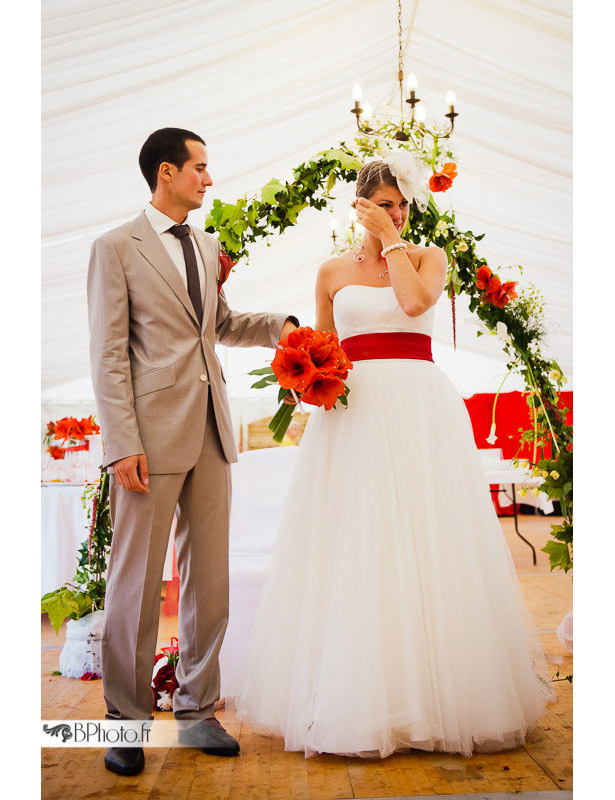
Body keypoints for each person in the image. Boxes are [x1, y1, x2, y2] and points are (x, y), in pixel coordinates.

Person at [235, 157, 556, 758]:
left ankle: (437, 695)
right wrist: (311, 381)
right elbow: (325, 347)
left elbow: (413, 306)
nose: (398, 213)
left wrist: (394, 244)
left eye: (404, 204)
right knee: (359, 540)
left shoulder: (428, 258)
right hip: (354, 416)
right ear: (360, 205)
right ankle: (356, 695)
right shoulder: (330, 271)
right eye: (386, 204)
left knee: (427, 537)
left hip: (417, 406)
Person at [87, 127, 298, 776]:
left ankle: (197, 709)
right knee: (136, 585)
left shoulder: (206, 248)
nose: (209, 179)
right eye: (200, 168)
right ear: (166, 173)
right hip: (147, 441)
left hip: (211, 432)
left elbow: (222, 327)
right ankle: (124, 723)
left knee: (210, 581)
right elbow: (107, 353)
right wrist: (121, 443)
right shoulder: (114, 248)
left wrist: (282, 329)